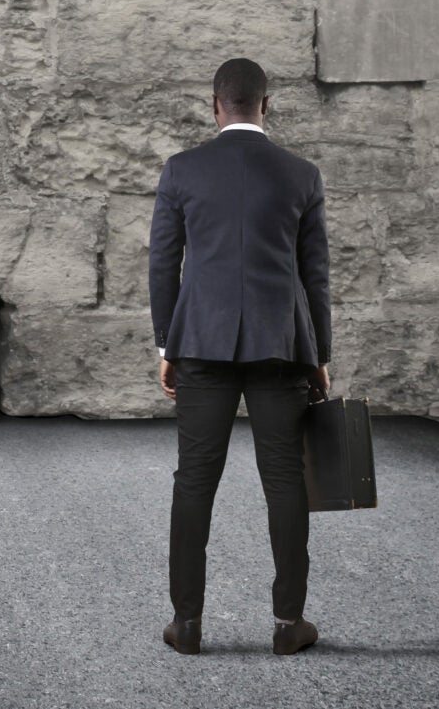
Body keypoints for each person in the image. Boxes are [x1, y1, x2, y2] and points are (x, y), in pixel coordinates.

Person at [149, 56, 333, 657]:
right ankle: (288, 626)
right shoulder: (302, 175)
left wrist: (166, 345)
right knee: (285, 481)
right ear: (267, 103)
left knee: (194, 482)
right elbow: (316, 277)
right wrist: (319, 356)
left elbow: (162, 266)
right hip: (281, 348)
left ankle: (188, 624)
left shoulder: (182, 171)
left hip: (200, 344)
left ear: (214, 104)